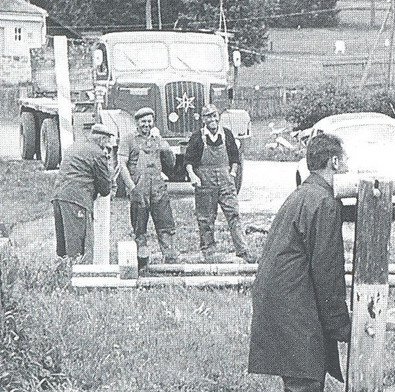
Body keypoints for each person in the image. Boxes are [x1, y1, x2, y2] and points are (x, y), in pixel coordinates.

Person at [249, 133, 351, 392]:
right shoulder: (323, 202)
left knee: (310, 375)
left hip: (286, 295)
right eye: (346, 161)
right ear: (334, 163)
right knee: (304, 382)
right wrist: (340, 323)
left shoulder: (304, 194)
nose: (348, 167)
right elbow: (327, 269)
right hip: (291, 299)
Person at [184, 104, 252, 262]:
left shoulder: (227, 134)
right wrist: (193, 176)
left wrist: (232, 173)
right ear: (203, 119)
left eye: (215, 115)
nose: (212, 119)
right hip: (205, 182)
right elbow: (188, 161)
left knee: (234, 215)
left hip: (226, 181)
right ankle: (209, 252)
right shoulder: (197, 137)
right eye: (208, 116)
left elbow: (235, 158)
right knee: (206, 218)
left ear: (219, 117)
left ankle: (243, 251)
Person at [116, 107, 178, 270]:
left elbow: (171, 163)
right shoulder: (128, 139)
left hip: (158, 188)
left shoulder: (157, 139)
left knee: (165, 224)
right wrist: (131, 186)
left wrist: (163, 143)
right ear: (137, 123)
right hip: (139, 188)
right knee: (139, 226)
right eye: (143, 121)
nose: (146, 124)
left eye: (149, 121)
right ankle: (142, 262)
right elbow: (121, 164)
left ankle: (170, 259)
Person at [52, 123, 114, 262]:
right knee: (78, 246)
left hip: (59, 197)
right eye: (107, 141)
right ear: (102, 139)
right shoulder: (97, 153)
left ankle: (64, 277)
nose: (107, 145)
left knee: (64, 246)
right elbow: (105, 189)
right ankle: (81, 279)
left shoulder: (75, 146)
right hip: (77, 200)